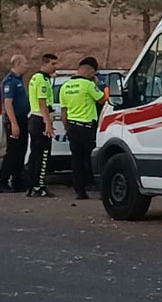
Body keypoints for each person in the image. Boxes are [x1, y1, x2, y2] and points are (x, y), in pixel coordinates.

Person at [59, 57, 105, 200]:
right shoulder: (88, 85)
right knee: (92, 159)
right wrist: (99, 86)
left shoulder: (65, 86)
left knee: (76, 160)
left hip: (72, 127)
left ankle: (80, 191)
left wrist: (67, 127)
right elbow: (103, 100)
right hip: (87, 128)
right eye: (93, 73)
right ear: (91, 71)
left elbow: (63, 112)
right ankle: (98, 189)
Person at [24, 53, 58, 198]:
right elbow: (42, 104)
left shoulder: (35, 78)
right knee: (43, 155)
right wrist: (48, 124)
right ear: (45, 64)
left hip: (34, 118)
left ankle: (32, 185)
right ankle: (39, 186)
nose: (55, 67)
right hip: (40, 119)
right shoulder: (43, 81)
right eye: (53, 64)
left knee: (35, 154)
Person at [0, 55, 30, 193]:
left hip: (22, 119)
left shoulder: (19, 80)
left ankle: (17, 181)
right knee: (12, 153)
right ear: (18, 64)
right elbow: (8, 103)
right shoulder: (10, 81)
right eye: (25, 64)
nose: (27, 66)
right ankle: (2, 182)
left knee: (21, 152)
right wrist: (14, 124)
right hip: (14, 120)